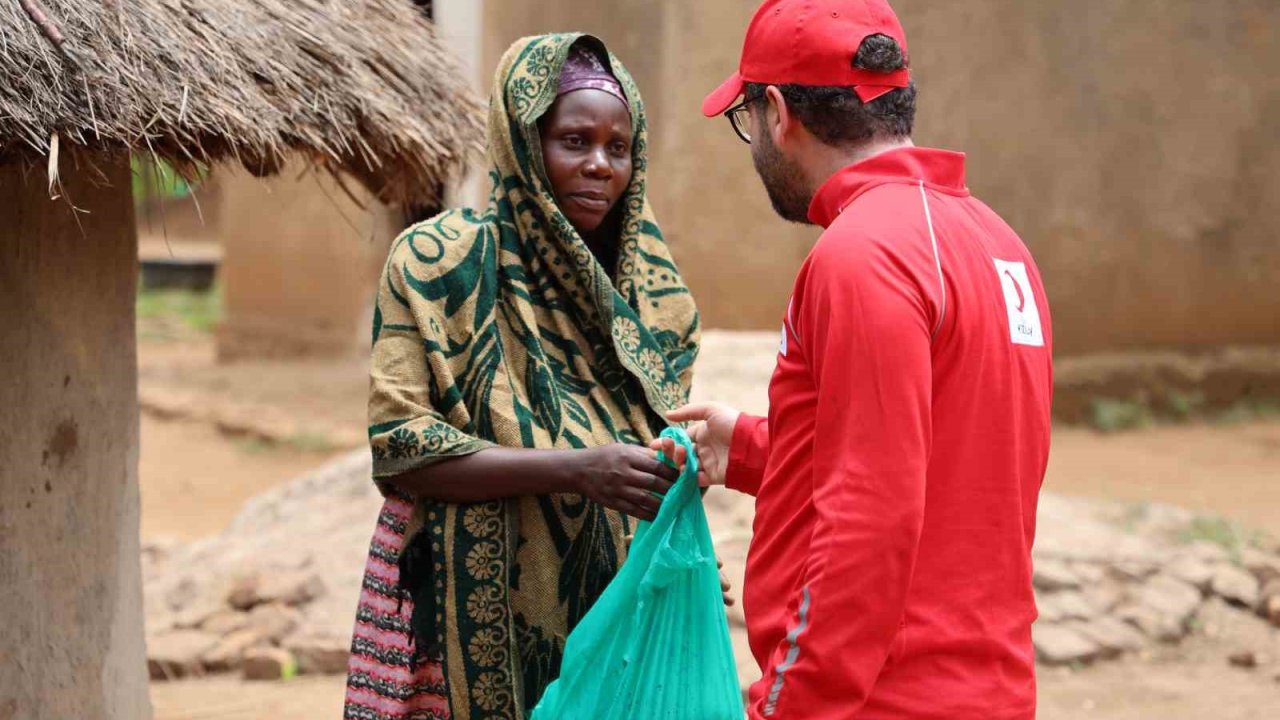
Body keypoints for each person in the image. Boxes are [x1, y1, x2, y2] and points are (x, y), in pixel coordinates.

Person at [658, 1, 1053, 717]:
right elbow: (949, 461)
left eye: (746, 119)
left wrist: (790, 706)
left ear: (777, 112)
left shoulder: (862, 256)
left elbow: (870, 517)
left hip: (881, 700)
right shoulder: (1000, 245)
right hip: (988, 692)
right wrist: (751, 448)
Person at [343, 34, 700, 720]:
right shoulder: (436, 264)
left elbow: (661, 468)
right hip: (451, 622)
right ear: (524, 143)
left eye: (618, 148)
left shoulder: (658, 303)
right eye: (574, 141)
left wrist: (678, 559)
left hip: (615, 616)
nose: (599, 165)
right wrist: (575, 468)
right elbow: (403, 446)